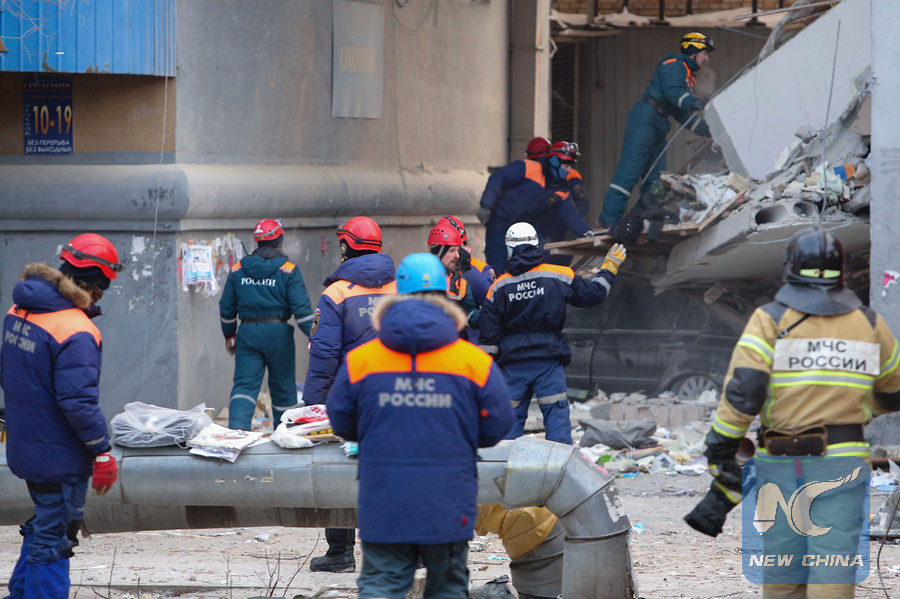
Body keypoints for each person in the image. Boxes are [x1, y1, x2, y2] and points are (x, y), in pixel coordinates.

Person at [686, 226, 900, 598]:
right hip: (842, 461)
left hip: (780, 464)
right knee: (832, 572)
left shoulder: (769, 319)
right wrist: (861, 410)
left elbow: (744, 392)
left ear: (790, 268)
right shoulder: (869, 323)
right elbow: (894, 393)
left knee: (783, 576)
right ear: (841, 272)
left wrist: (721, 449)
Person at [326, 252, 514, 599]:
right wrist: (461, 436)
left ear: (396, 295)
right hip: (449, 503)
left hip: (384, 503)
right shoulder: (472, 361)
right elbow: (498, 424)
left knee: (381, 586)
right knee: (448, 588)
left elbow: (342, 421)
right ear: (447, 295)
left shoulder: (361, 360)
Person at [1, 233, 124, 599]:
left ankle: (21, 593)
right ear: (95, 283)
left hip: (26, 444)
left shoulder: (19, 310)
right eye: (102, 288)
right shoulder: (77, 328)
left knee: (46, 521)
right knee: (55, 537)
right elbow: (77, 402)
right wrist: (101, 450)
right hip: (59, 454)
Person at [304, 216, 397, 574]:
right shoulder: (399, 288)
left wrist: (314, 403)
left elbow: (324, 353)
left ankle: (340, 552)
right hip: (398, 393)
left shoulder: (337, 293)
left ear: (345, 246)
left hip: (353, 396)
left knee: (340, 469)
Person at [479, 222, 626, 444]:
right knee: (556, 424)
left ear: (509, 249)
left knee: (507, 429)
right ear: (536, 245)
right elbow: (594, 294)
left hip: (512, 366)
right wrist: (609, 268)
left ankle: (505, 465)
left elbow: (488, 338)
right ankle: (557, 465)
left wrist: (488, 378)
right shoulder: (559, 275)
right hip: (548, 362)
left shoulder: (499, 286)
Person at [598, 32, 714, 229]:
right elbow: (674, 94)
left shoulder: (687, 76)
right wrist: (695, 102)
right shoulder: (675, 64)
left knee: (658, 179)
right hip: (645, 119)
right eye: (704, 53)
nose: (706, 58)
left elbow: (681, 113)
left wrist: (707, 130)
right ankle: (609, 220)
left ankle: (650, 218)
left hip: (658, 123)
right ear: (693, 51)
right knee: (630, 171)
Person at [219, 218, 314, 430]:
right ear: (280, 241)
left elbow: (226, 308)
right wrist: (315, 336)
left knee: (244, 386)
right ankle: (285, 433)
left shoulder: (238, 270)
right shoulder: (289, 270)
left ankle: (236, 433)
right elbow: (302, 311)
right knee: (283, 388)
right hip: (279, 335)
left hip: (247, 334)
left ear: (258, 241)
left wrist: (229, 334)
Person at [477, 141, 595, 275]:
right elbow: (498, 177)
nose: (569, 170)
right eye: (566, 166)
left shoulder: (561, 189)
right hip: (500, 220)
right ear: (555, 162)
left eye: (570, 166)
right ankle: (494, 287)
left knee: (539, 258)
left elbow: (571, 216)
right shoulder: (528, 167)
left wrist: (587, 233)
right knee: (496, 263)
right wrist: (486, 205)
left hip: (527, 225)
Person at [438, 215, 495, 343]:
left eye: (459, 246)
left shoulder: (477, 270)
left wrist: (467, 269)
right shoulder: (430, 268)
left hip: (471, 339)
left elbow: (492, 304)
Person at [427, 221, 481, 337]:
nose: (458, 256)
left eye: (458, 250)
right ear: (437, 253)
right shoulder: (418, 277)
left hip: (451, 342)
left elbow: (468, 313)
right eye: (452, 251)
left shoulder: (460, 283)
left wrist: (489, 314)